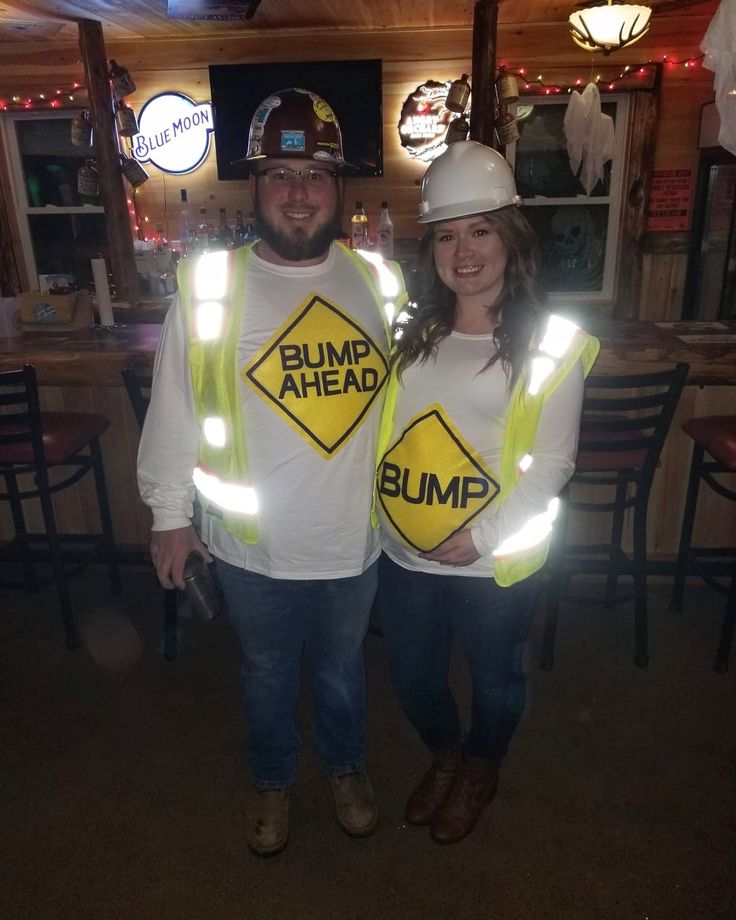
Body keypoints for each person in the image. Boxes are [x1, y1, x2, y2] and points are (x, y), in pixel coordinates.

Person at [137, 88, 406, 857]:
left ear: (339, 188)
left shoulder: (382, 284)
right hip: (251, 547)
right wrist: (168, 515)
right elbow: (174, 409)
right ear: (254, 186)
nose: (299, 193)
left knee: (343, 672)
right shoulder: (212, 286)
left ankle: (346, 769)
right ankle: (272, 777)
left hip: (354, 538)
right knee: (264, 672)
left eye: (316, 175)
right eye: (282, 174)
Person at [375, 140, 599, 844]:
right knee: (413, 681)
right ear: (432, 246)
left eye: (480, 231)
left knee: (497, 682)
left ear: (510, 238)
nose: (463, 251)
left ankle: (480, 764)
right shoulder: (409, 328)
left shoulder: (549, 342)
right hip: (402, 556)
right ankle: (446, 753)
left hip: (490, 563)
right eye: (447, 234)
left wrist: (479, 536)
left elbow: (553, 464)